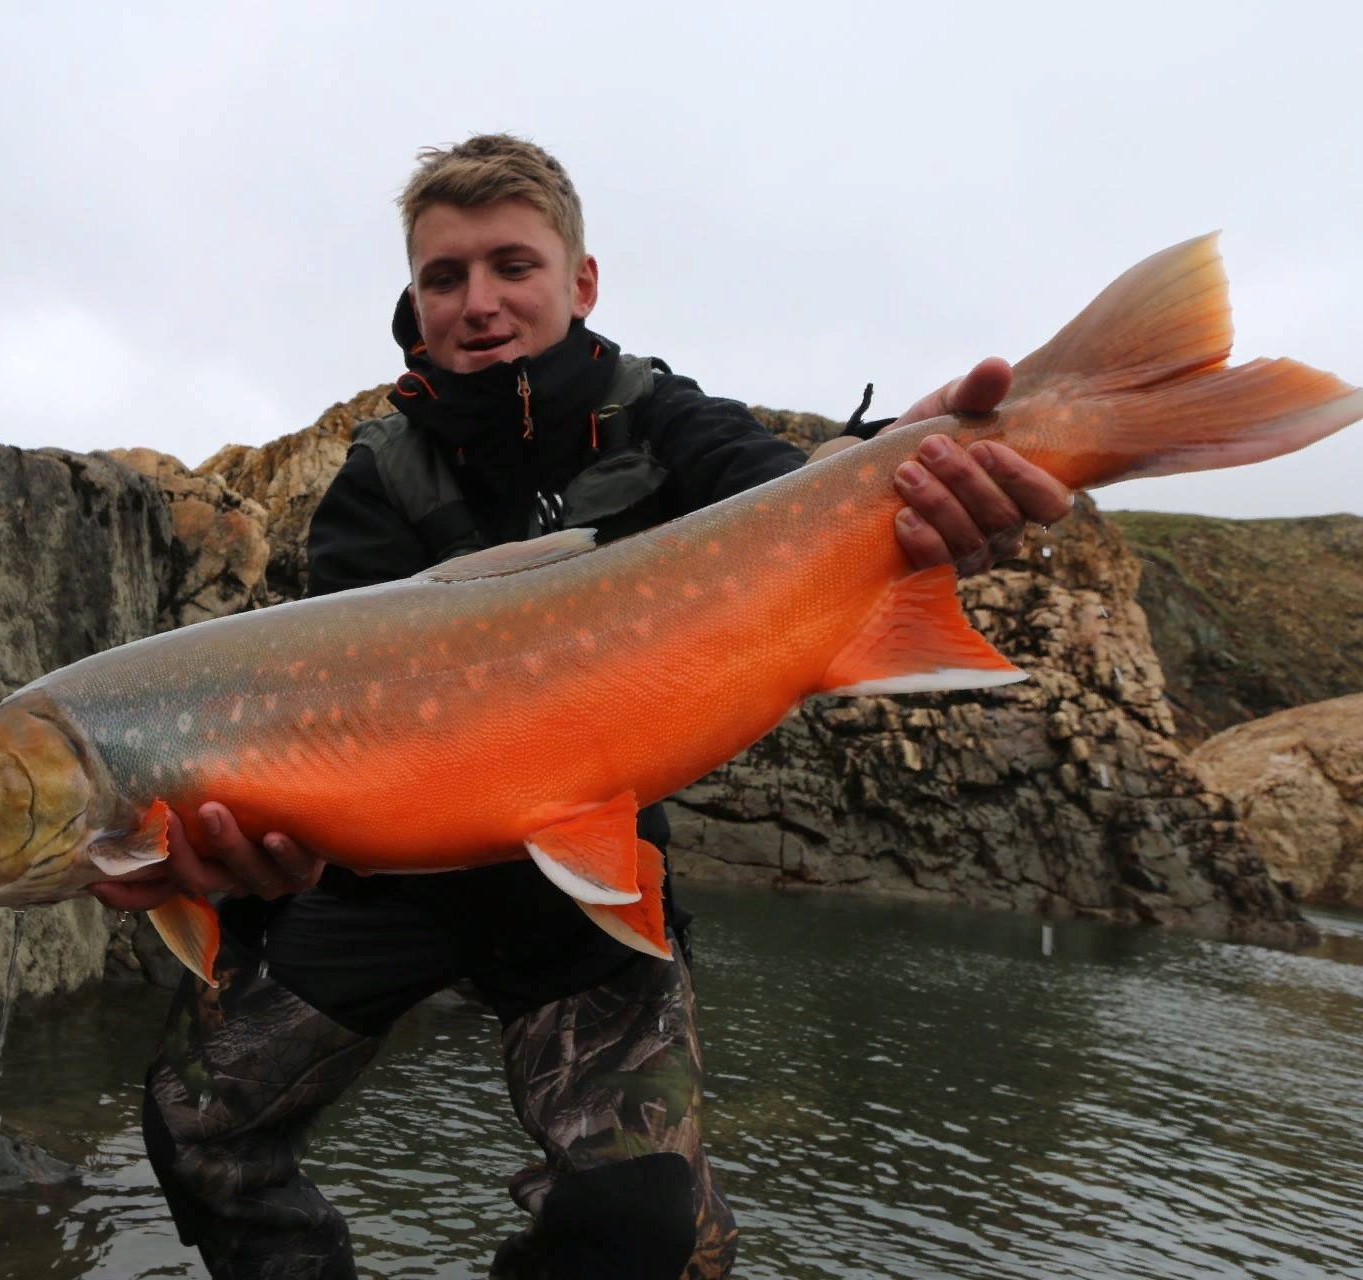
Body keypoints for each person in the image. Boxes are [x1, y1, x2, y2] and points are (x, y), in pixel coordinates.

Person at [93, 134, 1072, 1279]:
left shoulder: (664, 416)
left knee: (646, 1226)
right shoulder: (375, 475)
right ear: (412, 300)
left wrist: (897, 468)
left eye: (513, 264)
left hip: (585, 878)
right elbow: (322, 716)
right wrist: (245, 865)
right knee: (195, 1127)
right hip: (388, 880)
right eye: (443, 276)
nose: (479, 301)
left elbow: (782, 500)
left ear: (582, 281)